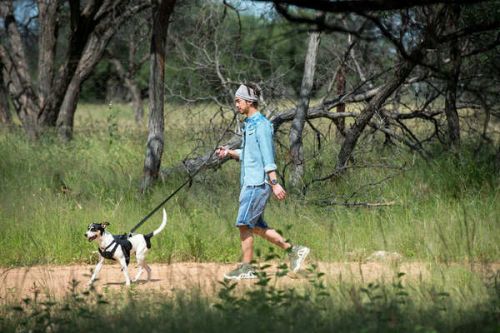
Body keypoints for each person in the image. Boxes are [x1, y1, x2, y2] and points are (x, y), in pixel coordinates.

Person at [216, 83, 310, 280]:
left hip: (257, 184)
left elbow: (267, 158)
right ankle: (294, 251)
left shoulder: (262, 125)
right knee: (255, 226)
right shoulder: (249, 124)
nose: (236, 105)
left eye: (238, 101)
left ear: (249, 102)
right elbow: (250, 154)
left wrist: (274, 183)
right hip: (249, 182)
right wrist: (229, 152)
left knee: (243, 224)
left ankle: (247, 268)